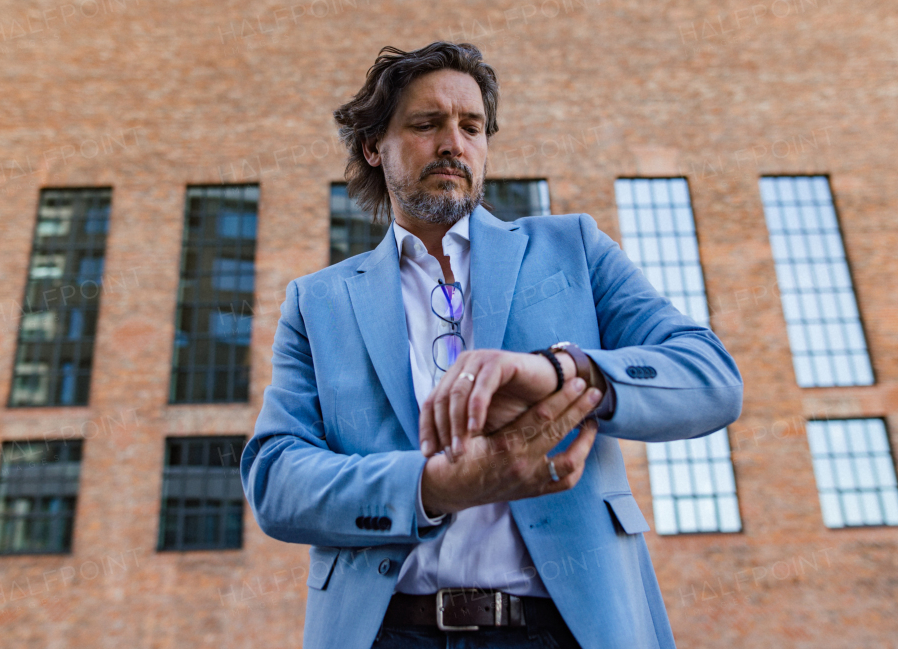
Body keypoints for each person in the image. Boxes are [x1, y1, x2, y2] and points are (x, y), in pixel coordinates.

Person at [241, 41, 743, 649]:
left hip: (565, 630)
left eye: (472, 126)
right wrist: (434, 487)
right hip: (386, 631)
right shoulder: (316, 302)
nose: (454, 142)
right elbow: (276, 480)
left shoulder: (573, 248)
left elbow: (711, 378)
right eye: (427, 124)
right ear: (374, 147)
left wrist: (567, 372)